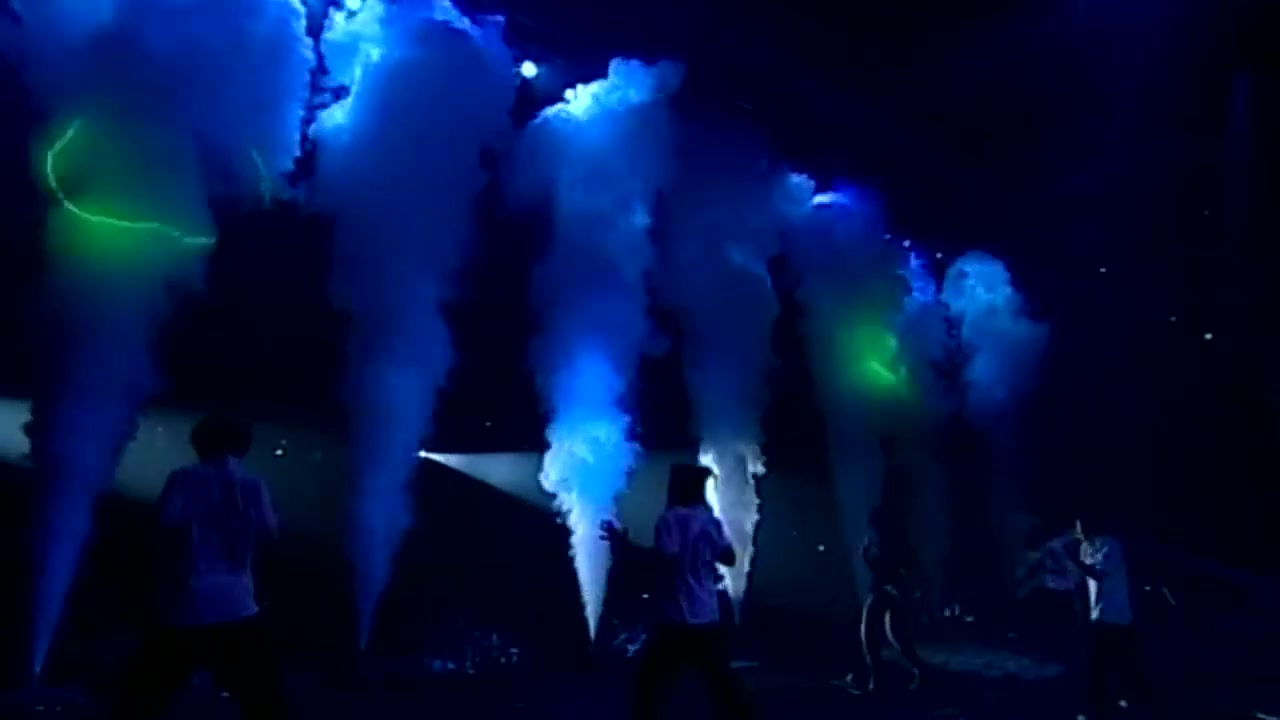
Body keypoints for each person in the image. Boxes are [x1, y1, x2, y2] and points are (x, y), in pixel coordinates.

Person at [110, 415, 284, 720]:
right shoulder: (252, 485)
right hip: (236, 605)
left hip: (186, 604)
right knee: (264, 703)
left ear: (199, 444)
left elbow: (162, 523)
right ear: (243, 446)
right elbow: (271, 532)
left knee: (140, 701)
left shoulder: (182, 479)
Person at [601, 463, 754, 720]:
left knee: (651, 684)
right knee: (720, 681)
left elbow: (664, 560)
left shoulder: (670, 520)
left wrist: (625, 547)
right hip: (707, 615)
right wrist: (703, 552)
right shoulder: (709, 521)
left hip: (676, 616)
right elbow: (729, 558)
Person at [853, 435, 925, 693]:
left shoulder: (893, 524)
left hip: (889, 582)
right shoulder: (893, 525)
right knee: (894, 634)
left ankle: (880, 682)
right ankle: (916, 674)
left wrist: (896, 579)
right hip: (890, 581)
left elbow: (897, 559)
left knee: (872, 632)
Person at [1070, 516, 1147, 719]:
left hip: (1118, 616)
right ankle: (1099, 707)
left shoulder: (1110, 545)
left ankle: (1128, 699)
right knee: (1097, 664)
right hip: (1099, 617)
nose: (1078, 531)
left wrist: (1077, 562)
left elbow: (1099, 574)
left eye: (1081, 526)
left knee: (1121, 662)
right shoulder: (1084, 548)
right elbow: (1084, 582)